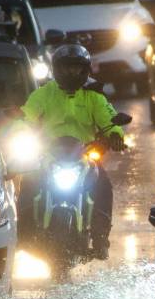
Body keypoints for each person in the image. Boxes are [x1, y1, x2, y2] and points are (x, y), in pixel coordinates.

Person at [18, 44, 125, 259]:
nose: (71, 73)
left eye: (76, 69)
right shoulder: (43, 94)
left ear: (86, 70)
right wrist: (20, 131)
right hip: (47, 156)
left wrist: (114, 135)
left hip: (84, 156)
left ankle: (100, 237)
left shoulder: (94, 97)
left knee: (103, 186)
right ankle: (23, 234)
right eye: (66, 68)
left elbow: (110, 120)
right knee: (28, 183)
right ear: (56, 69)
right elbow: (25, 117)